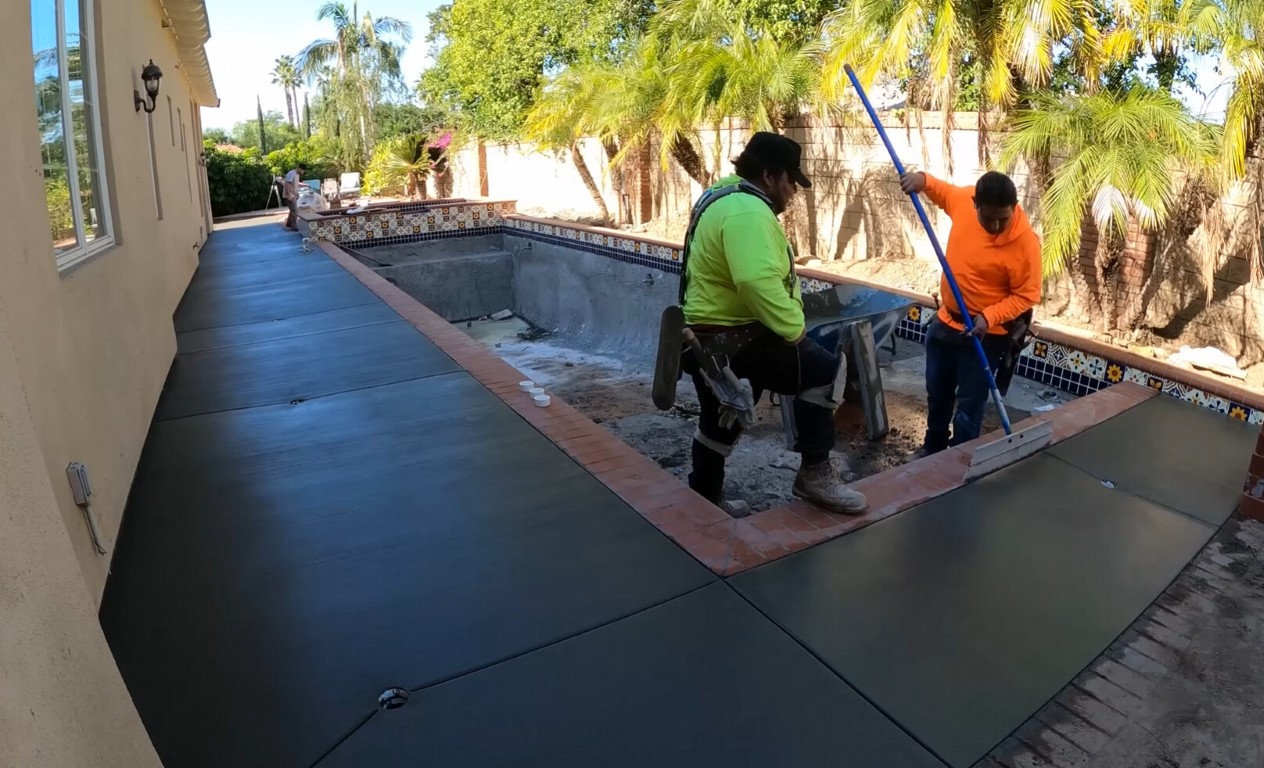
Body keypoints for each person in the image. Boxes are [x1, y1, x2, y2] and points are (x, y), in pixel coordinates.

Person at [680, 132, 867, 514]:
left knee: (720, 420)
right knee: (825, 369)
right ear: (769, 176)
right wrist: (794, 330)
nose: (793, 193)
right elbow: (753, 279)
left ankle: (703, 499)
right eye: (790, 182)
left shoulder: (722, 196)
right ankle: (815, 474)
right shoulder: (749, 211)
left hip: (706, 341)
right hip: (737, 339)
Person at [899, 169, 1042, 455]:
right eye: (989, 217)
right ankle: (933, 447)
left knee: (969, 404)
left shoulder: (1026, 243)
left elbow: (1027, 295)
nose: (997, 225)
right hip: (946, 322)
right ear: (975, 203)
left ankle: (961, 459)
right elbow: (943, 191)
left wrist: (989, 317)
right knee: (937, 393)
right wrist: (922, 180)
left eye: (1004, 218)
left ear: (1014, 208)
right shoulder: (964, 201)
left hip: (986, 335)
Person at [283, 163, 306, 230]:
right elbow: (287, 183)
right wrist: (289, 194)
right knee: (295, 210)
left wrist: (297, 193)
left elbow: (296, 184)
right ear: (299, 168)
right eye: (303, 170)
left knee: (292, 210)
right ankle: (294, 225)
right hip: (290, 195)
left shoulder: (297, 175)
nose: (303, 172)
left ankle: (289, 224)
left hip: (294, 194)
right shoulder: (291, 173)